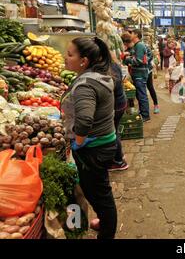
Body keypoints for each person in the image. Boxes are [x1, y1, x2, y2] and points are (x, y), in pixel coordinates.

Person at [61, 36, 118, 239]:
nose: (65, 58)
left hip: (94, 149)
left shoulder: (86, 84)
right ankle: (104, 220)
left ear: (84, 61)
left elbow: (84, 120)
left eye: (69, 54)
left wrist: (78, 141)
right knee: (97, 189)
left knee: (99, 195)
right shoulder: (100, 76)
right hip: (105, 142)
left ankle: (107, 232)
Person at [123, 29, 150, 122]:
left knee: (142, 95)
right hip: (138, 73)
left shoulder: (140, 45)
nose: (130, 35)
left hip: (140, 74)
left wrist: (127, 60)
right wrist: (129, 55)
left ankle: (145, 115)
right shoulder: (137, 45)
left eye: (132, 33)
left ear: (136, 35)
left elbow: (138, 61)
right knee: (139, 94)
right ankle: (143, 113)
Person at [109, 60, 129, 171]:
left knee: (113, 132)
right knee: (115, 131)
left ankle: (118, 162)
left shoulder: (108, 68)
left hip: (116, 104)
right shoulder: (113, 64)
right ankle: (119, 156)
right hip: (120, 102)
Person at [145, 42, 160, 114]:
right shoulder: (130, 48)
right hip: (137, 72)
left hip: (147, 71)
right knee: (140, 91)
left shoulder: (144, 45)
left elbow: (150, 55)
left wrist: (143, 61)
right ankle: (144, 108)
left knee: (150, 87)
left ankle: (156, 105)